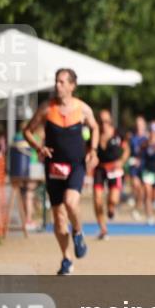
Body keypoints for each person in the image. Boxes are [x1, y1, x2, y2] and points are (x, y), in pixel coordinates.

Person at [23, 68, 99, 275]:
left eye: (63, 82)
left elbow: (95, 127)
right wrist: (39, 147)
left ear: (72, 86)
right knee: (58, 218)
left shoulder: (82, 109)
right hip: (53, 166)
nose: (58, 85)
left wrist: (93, 150)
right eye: (57, 81)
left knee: (71, 201)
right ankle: (66, 259)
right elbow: (27, 131)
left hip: (76, 165)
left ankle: (78, 232)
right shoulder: (47, 108)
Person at [92, 110, 129, 240]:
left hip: (114, 169)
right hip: (100, 169)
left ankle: (111, 208)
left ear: (111, 121)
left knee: (113, 200)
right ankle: (103, 229)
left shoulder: (118, 134)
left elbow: (126, 150)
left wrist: (122, 161)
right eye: (101, 122)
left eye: (106, 121)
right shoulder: (94, 134)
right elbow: (89, 150)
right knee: (97, 199)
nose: (104, 124)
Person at [9, 121, 39, 233]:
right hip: (32, 168)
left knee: (21, 194)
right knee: (30, 194)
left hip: (18, 170)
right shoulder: (34, 136)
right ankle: (28, 220)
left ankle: (23, 219)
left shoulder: (16, 137)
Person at [126, 116, 149, 220]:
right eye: (137, 124)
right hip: (134, 167)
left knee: (142, 192)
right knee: (136, 185)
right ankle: (132, 195)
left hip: (144, 167)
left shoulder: (148, 138)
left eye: (141, 124)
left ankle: (137, 209)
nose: (139, 126)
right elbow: (128, 151)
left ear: (144, 125)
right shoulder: (132, 138)